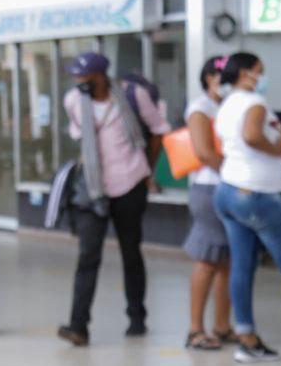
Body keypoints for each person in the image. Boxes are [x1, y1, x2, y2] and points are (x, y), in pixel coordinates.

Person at [57, 53, 170, 346]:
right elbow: (80, 137)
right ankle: (78, 326)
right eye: (77, 78)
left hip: (130, 182)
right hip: (93, 188)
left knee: (130, 251)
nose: (79, 83)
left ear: (101, 76)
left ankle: (137, 317)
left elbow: (158, 131)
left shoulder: (134, 95)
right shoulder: (73, 102)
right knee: (87, 255)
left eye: (85, 78)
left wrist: (148, 168)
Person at [213, 51, 281, 363]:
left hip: (229, 190)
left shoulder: (228, 103)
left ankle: (247, 338)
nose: (262, 76)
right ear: (245, 73)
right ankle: (247, 339)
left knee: (242, 266)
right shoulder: (253, 103)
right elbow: (253, 136)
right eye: (260, 70)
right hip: (257, 194)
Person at [182, 56, 235, 350]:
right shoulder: (200, 108)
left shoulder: (231, 107)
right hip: (209, 190)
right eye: (219, 76)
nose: (225, 82)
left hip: (229, 187)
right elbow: (203, 153)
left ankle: (222, 326)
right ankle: (195, 329)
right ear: (208, 79)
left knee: (227, 262)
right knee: (207, 260)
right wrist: (237, 173)